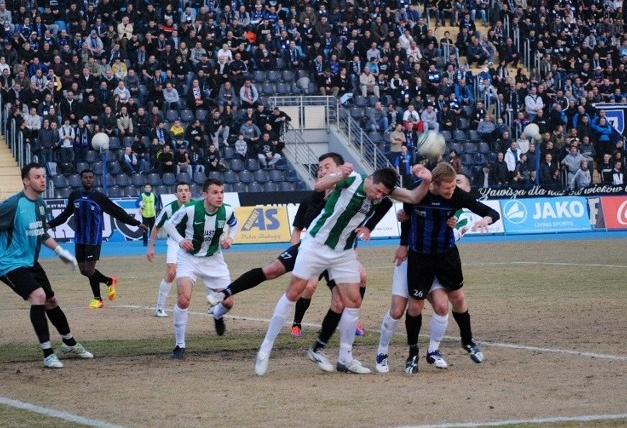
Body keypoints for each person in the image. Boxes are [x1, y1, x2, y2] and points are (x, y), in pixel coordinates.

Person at [254, 163, 433, 376]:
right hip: (316, 244)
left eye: (383, 194)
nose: (378, 197)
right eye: (377, 191)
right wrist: (338, 174)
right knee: (294, 292)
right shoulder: (353, 179)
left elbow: (413, 197)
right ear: (371, 179)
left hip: (343, 252)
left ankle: (345, 358)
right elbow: (320, 185)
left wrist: (427, 181)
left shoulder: (383, 191)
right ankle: (265, 348)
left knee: (353, 300)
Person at [206, 153, 381, 337]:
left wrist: (367, 229)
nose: (322, 171)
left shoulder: (357, 191)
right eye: (320, 169)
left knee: (358, 278)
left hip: (338, 254)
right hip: (313, 248)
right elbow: (304, 228)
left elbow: (376, 207)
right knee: (284, 275)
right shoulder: (312, 199)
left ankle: (346, 327)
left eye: (326, 167)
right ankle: (294, 323)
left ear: (341, 168)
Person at [379, 167, 499, 374]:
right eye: (448, 187)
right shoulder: (417, 195)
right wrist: (403, 245)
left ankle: (467, 341)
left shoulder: (457, 195)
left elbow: (491, 212)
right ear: (434, 184)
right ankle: (413, 353)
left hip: (446, 256)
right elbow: (405, 219)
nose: (452, 190)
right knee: (415, 307)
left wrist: (485, 220)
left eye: (454, 186)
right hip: (420, 257)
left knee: (457, 300)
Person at [0, 163, 92, 369]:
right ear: (26, 181)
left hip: (30, 261)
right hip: (8, 263)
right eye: (37, 176)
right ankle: (48, 354)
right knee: (38, 296)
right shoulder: (13, 204)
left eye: (43, 176)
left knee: (51, 300)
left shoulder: (40, 204)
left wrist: (59, 252)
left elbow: (40, 232)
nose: (42, 180)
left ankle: (69, 342)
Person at [47, 170, 147, 309]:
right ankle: (109, 281)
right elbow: (65, 215)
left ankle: (98, 299)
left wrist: (136, 223)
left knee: (89, 269)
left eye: (91, 178)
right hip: (80, 238)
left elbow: (117, 212)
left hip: (93, 239)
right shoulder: (74, 196)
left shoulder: (99, 197)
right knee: (83, 271)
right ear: (81, 179)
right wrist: (49, 224)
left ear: (94, 180)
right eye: (85, 177)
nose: (88, 180)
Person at [165, 179, 238, 359]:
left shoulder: (227, 210)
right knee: (183, 300)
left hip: (214, 259)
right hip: (188, 259)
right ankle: (179, 345)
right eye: (215, 192)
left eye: (221, 192)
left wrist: (231, 238)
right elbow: (168, 225)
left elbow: (234, 223)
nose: (219, 196)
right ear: (205, 195)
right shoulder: (190, 209)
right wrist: (181, 240)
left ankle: (217, 315)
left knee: (228, 302)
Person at [146, 182, 192, 317]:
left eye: (186, 190)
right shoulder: (169, 209)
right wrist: (151, 248)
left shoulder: (196, 206)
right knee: (172, 273)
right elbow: (156, 227)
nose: (183, 193)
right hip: (174, 243)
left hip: (190, 243)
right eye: (180, 190)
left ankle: (213, 305)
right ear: (175, 194)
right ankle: (159, 308)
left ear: (190, 193)